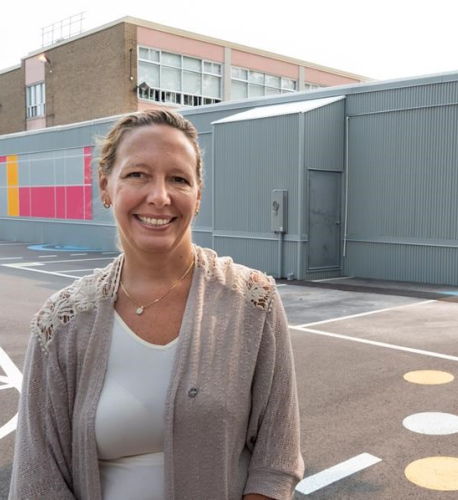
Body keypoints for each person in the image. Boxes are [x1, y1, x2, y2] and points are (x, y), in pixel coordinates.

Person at [9, 110, 304, 500]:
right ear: (105, 186)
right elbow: (38, 479)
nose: (159, 196)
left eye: (178, 179)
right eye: (138, 174)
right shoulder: (60, 323)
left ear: (198, 196)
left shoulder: (252, 302)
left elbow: (276, 460)